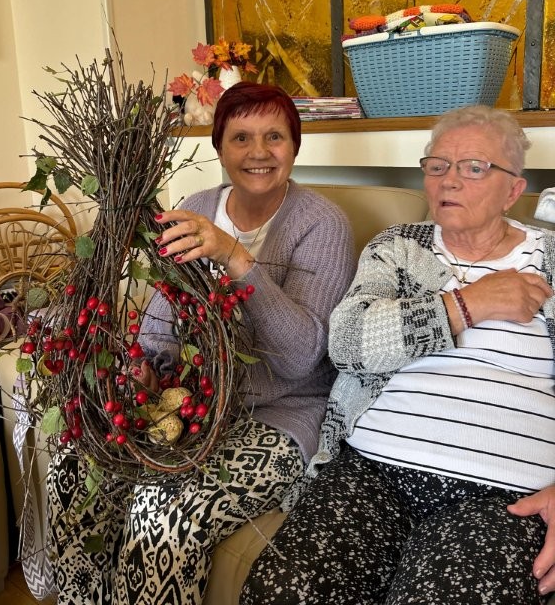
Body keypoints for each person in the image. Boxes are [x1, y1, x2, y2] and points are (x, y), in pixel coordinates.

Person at [46, 81, 356, 605]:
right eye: (241, 138)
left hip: (278, 413)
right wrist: (145, 371)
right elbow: (158, 326)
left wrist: (236, 258)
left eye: (274, 136)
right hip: (186, 406)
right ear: (219, 148)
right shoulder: (195, 206)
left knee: (163, 509)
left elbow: (302, 357)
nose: (258, 152)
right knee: (74, 463)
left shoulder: (323, 224)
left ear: (295, 146)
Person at [241, 105, 555, 605]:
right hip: (371, 472)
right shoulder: (399, 247)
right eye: (437, 165)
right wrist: (467, 304)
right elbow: (347, 344)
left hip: (500, 499)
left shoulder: (550, 259)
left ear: (514, 190)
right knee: (281, 589)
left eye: (474, 168)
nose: (449, 180)